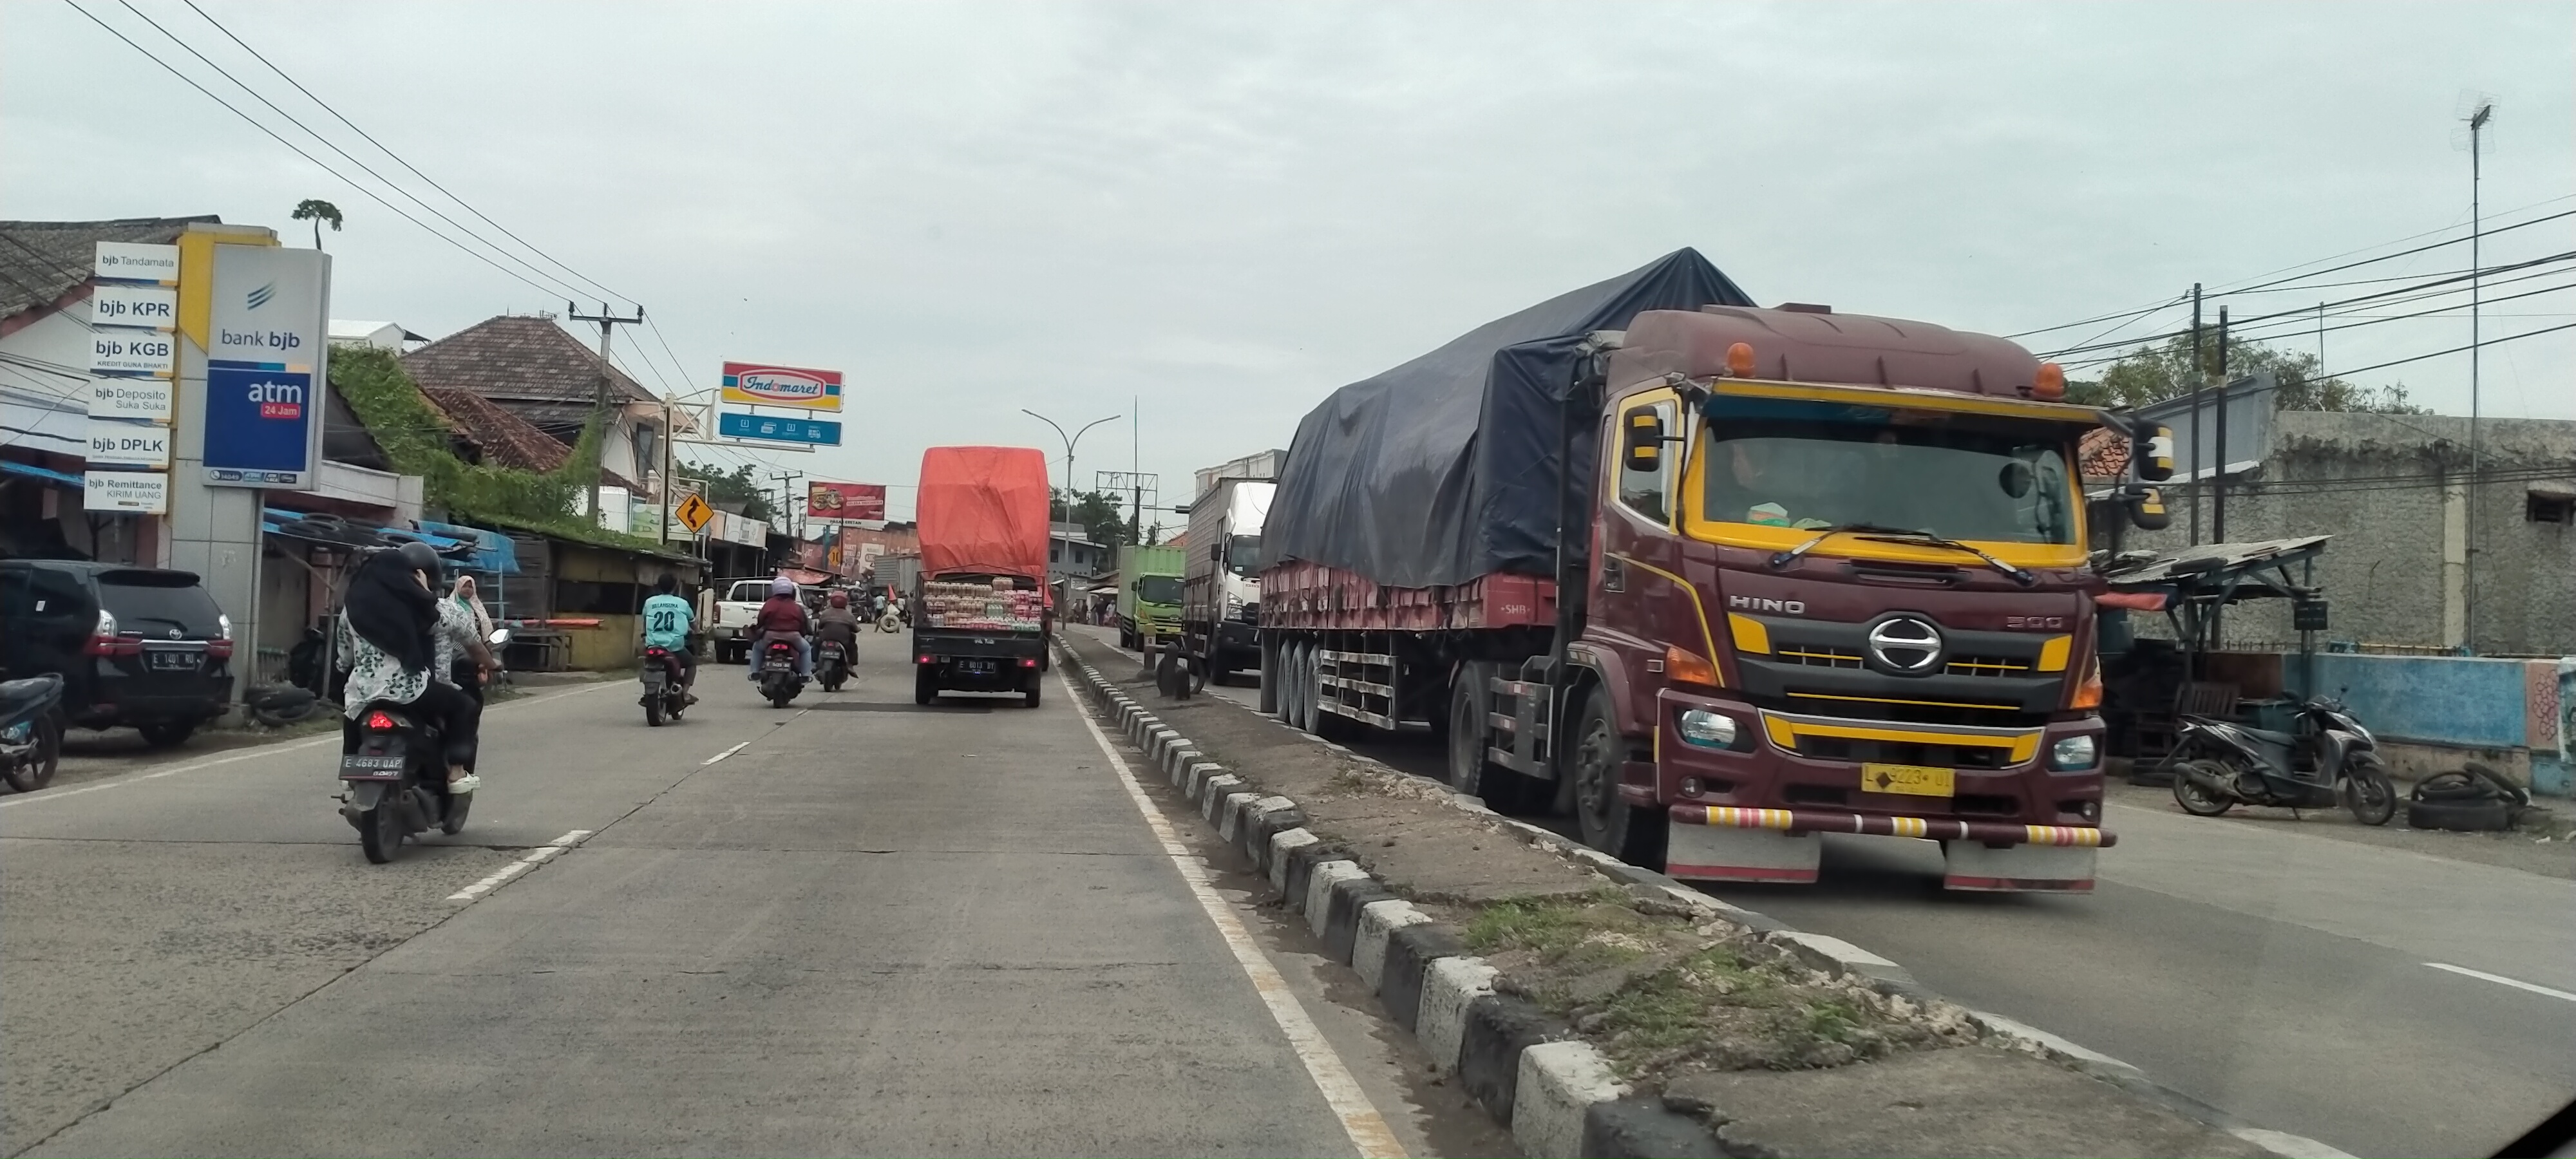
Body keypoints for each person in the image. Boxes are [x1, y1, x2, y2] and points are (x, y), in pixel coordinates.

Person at [338, 542, 493, 793]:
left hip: (362, 693)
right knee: (463, 705)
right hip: (407, 691)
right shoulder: (419, 607)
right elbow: (454, 628)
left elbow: (344, 657)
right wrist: (421, 591)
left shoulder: (352, 609)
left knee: (352, 714)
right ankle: (455, 773)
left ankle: (350, 772)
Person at [641, 573, 698, 703]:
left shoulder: (650, 602)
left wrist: (644, 635)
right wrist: (698, 632)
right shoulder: (682, 603)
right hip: (674, 646)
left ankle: (649, 689)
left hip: (653, 645)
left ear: (658, 586)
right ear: (675, 587)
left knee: (646, 663)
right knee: (691, 663)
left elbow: (645, 620)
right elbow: (693, 623)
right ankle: (685, 693)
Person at [746, 576, 812, 681]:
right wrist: (802, 634)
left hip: (770, 636)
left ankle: (755, 673)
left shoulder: (769, 604)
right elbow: (803, 624)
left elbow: (761, 620)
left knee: (757, 648)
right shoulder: (796, 607)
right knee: (806, 649)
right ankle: (805, 676)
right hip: (793, 636)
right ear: (791, 590)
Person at [448, 575, 495, 704]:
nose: (468, 590)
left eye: (470, 587)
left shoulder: (477, 606)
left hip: (477, 647)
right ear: (458, 588)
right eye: (465, 586)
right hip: (456, 650)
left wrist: (487, 644)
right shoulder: (450, 606)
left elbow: (485, 625)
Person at [815, 589, 862, 654]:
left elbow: (820, 626)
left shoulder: (825, 613)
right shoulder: (849, 615)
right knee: (853, 644)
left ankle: (814, 660)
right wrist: (858, 629)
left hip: (826, 639)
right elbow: (855, 629)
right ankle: (852, 662)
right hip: (844, 640)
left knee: (816, 642)